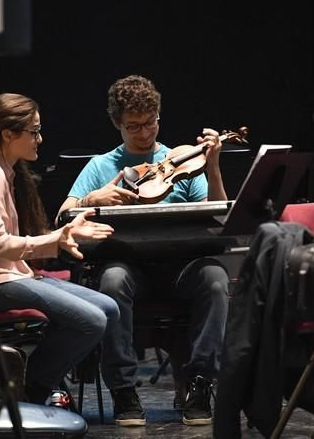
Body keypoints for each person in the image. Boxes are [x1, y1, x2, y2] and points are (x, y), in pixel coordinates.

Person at [56, 75, 230, 427]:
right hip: (129, 268)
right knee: (113, 281)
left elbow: (216, 211)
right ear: (116, 123)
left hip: (180, 268)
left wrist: (212, 166)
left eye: (150, 123)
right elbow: (62, 216)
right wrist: (92, 198)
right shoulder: (101, 166)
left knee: (215, 278)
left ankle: (199, 383)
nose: (144, 133)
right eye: (133, 126)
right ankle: (124, 390)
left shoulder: (181, 160)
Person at [0, 92, 120, 404]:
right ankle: (31, 388)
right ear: (8, 134)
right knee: (91, 321)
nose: (40, 139)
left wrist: (63, 237)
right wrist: (56, 239)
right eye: (34, 132)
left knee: (108, 308)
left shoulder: (4, 170)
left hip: (10, 276)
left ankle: (37, 380)